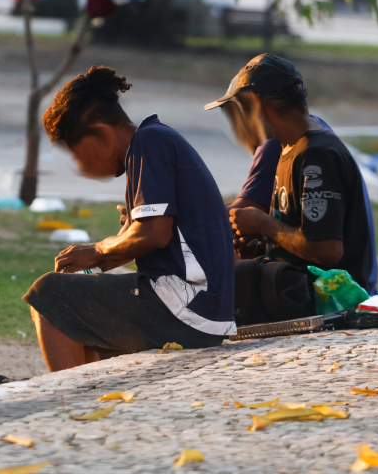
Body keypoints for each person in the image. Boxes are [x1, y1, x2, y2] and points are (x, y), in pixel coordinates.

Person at [21, 66, 236, 373]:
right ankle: (87, 392)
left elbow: (154, 234)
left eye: (79, 152)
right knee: (76, 295)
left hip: (189, 308)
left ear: (100, 134)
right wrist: (99, 256)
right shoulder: (149, 147)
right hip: (200, 308)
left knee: (50, 295)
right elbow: (144, 238)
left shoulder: (150, 143)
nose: (82, 165)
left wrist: (97, 251)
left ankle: (65, 402)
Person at [204, 54, 376, 323]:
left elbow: (328, 251)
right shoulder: (289, 148)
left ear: (256, 104)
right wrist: (263, 248)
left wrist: (263, 224)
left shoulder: (316, 156)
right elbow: (298, 232)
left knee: (214, 283)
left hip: (330, 297)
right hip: (301, 286)